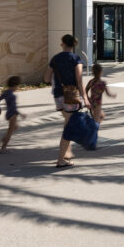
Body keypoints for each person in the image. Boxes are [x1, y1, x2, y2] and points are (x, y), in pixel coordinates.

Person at [44, 34, 89, 168]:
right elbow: (79, 81)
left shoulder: (55, 59)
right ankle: (61, 160)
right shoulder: (76, 59)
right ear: (73, 45)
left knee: (67, 121)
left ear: (62, 44)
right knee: (69, 127)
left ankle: (66, 152)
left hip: (58, 95)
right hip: (71, 96)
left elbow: (46, 78)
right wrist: (85, 98)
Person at [0, 76, 23, 153]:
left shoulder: (5, 92)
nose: (18, 87)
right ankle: (3, 148)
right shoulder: (13, 96)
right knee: (10, 132)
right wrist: (21, 114)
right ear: (15, 85)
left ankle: (4, 139)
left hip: (8, 114)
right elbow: (13, 108)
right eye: (18, 85)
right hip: (13, 114)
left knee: (15, 127)